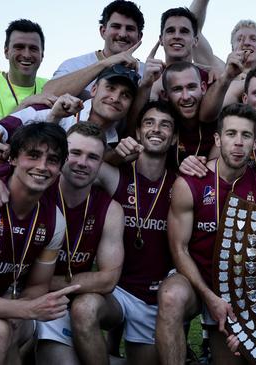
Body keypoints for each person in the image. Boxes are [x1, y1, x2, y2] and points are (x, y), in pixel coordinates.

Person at [156, 103, 256, 365]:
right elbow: (179, 250)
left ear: (255, 143)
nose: (238, 143)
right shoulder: (190, 183)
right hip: (194, 278)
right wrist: (209, 296)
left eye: (246, 136)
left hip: (236, 288)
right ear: (218, 139)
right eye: (231, 134)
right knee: (170, 296)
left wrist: (242, 307)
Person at [70, 101, 178, 364]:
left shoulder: (182, 183)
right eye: (149, 123)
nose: (156, 129)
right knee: (84, 308)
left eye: (165, 125)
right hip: (117, 294)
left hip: (156, 299)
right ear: (138, 132)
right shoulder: (116, 175)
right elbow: (74, 164)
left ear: (174, 138)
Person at [35, 122, 124, 364]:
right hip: (37, 301)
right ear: (62, 154)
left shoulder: (110, 209)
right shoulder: (39, 192)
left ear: (101, 163)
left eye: (93, 157)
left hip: (84, 299)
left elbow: (107, 280)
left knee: (85, 307)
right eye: (75, 153)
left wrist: (41, 283)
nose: (83, 163)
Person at [0, 123, 77, 364]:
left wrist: (17, 310)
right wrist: (27, 310)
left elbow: (38, 287)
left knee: (5, 330)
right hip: (15, 311)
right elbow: (32, 306)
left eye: (53, 160)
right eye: (33, 155)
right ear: (12, 158)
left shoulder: (55, 220)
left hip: (10, 307)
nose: (42, 167)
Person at [0, 64, 139, 146]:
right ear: (94, 89)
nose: (115, 98)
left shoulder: (117, 143)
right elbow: (3, 128)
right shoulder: (53, 109)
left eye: (126, 95)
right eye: (110, 88)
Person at [43, 0, 145, 100]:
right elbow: (47, 93)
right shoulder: (75, 65)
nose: (122, 34)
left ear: (139, 36)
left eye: (130, 29)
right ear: (103, 31)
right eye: (116, 26)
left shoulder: (146, 72)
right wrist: (105, 63)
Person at [0, 19, 52, 118]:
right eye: (19, 47)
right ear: (6, 52)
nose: (26, 55)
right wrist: (26, 104)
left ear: (42, 55)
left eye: (33, 48)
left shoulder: (51, 87)